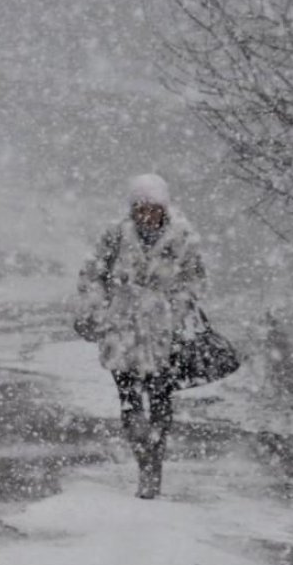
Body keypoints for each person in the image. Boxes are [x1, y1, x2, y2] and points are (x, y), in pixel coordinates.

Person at [75, 174, 206, 499]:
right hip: (122, 328)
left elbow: (195, 280)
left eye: (153, 208)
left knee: (161, 399)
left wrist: (175, 310)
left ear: (164, 208)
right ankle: (142, 460)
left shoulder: (183, 238)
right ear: (132, 209)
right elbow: (92, 276)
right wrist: (97, 310)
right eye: (140, 208)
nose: (147, 215)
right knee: (130, 399)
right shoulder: (115, 236)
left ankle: (154, 465)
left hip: (163, 332)